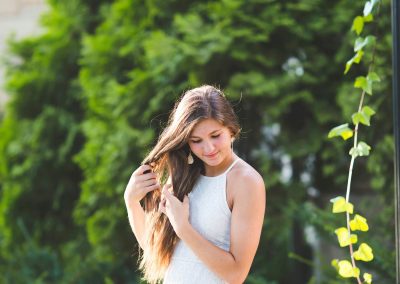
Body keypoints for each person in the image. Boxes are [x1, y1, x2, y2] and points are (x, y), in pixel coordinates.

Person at [124, 85, 266, 284]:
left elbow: (236, 274)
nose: (208, 148)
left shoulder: (245, 181)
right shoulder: (185, 175)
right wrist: (131, 202)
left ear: (231, 129)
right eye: (196, 140)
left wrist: (183, 228)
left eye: (215, 136)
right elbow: (157, 252)